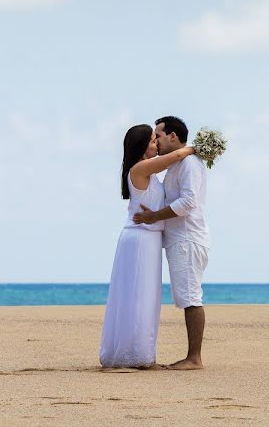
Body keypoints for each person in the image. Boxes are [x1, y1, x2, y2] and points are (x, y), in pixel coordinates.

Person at [99, 125, 194, 368]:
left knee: (145, 297)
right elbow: (175, 156)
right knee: (139, 297)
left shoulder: (149, 174)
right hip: (140, 239)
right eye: (153, 141)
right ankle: (139, 356)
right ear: (142, 146)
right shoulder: (140, 168)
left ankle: (139, 353)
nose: (157, 145)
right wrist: (199, 147)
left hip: (149, 239)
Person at [134, 116, 209, 370]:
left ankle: (194, 358)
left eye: (159, 135)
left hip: (187, 239)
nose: (156, 140)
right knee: (186, 296)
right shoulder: (176, 165)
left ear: (173, 136)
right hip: (180, 240)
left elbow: (188, 203)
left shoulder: (188, 163)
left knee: (190, 297)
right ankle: (192, 356)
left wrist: (154, 216)